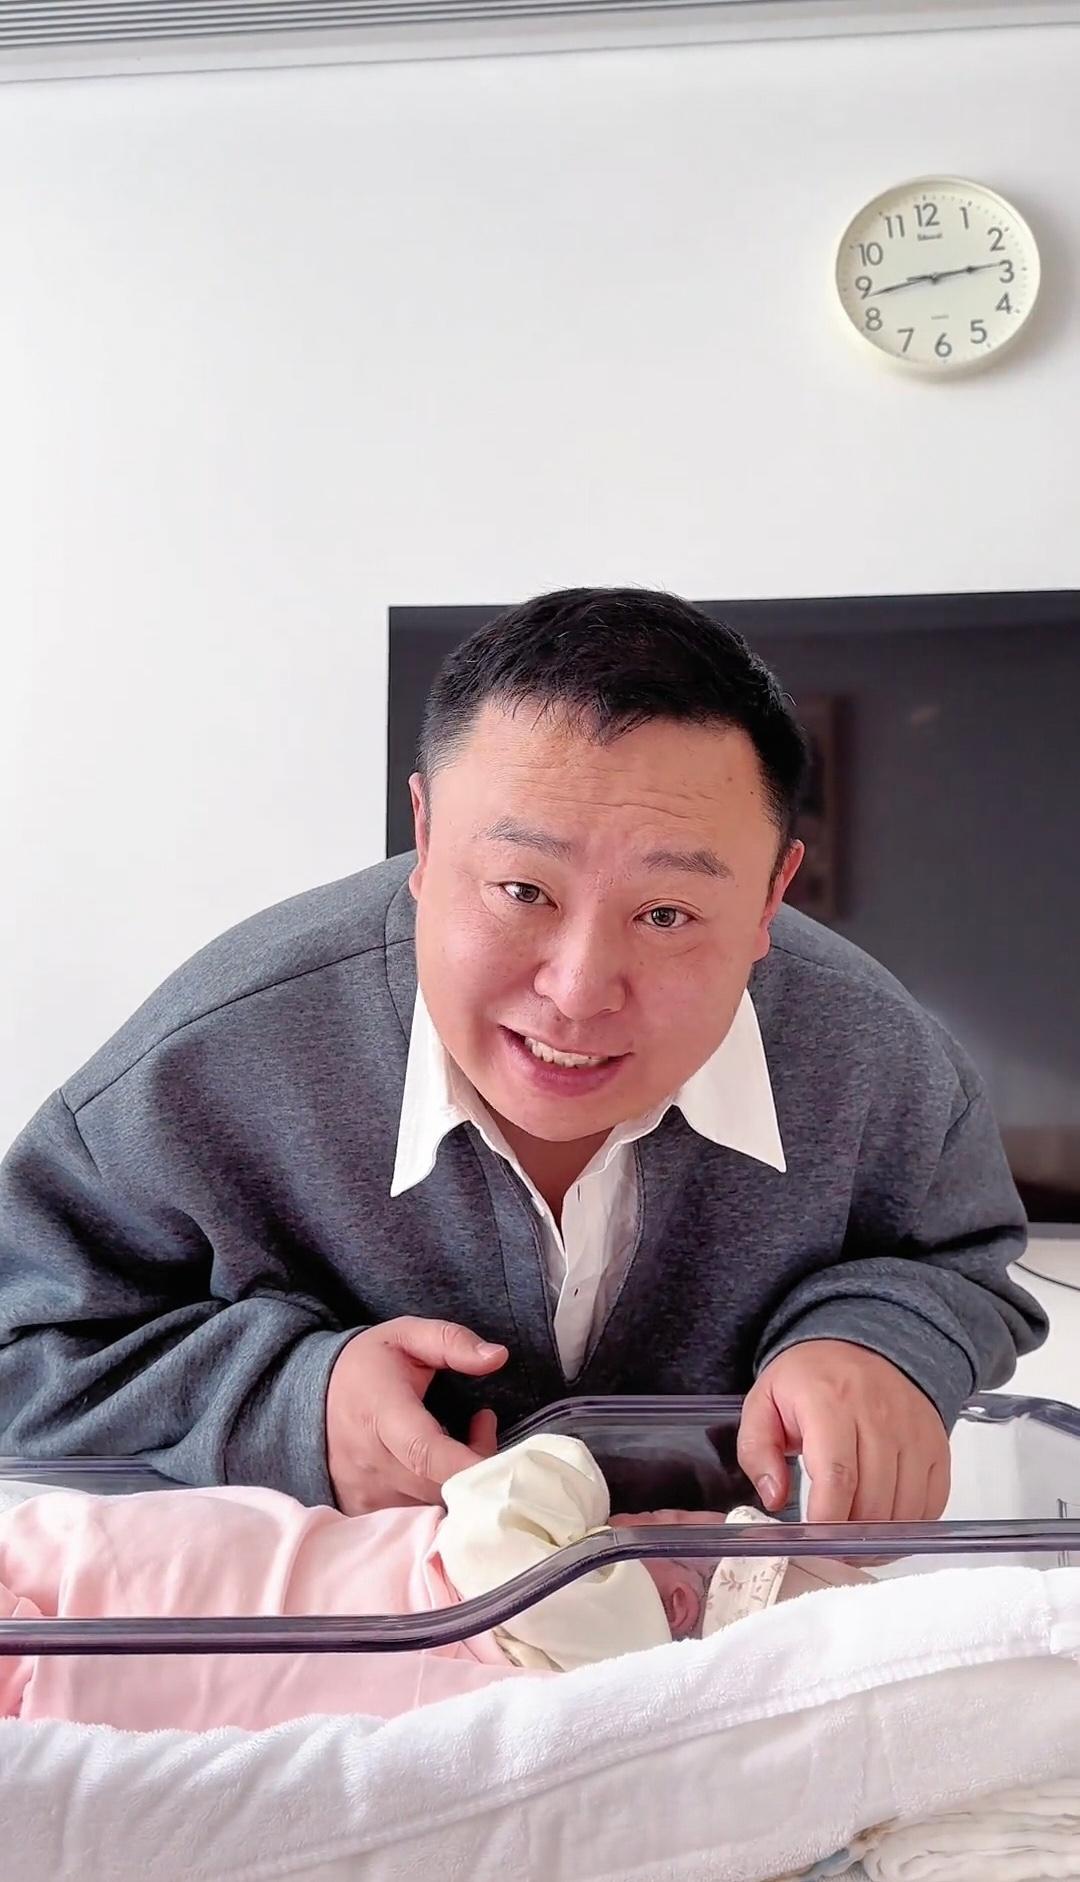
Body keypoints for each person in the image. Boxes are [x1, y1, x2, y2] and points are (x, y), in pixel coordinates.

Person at [0, 588, 1045, 1526]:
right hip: (349, 1644)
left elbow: (960, 1263)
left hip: (724, 1631)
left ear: (774, 895)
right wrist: (288, 1402)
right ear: (423, 835)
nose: (579, 989)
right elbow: (24, 1344)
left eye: (668, 913)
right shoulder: (208, 1060)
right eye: (521, 890)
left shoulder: (883, 1059)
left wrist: (879, 1340)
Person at [0, 1433, 832, 1732]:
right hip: (256, 1610)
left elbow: (502, 1507)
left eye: (670, 1523)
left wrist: (571, 1468)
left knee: (115, 1590)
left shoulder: (611, 1625)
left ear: (679, 1601)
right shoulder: (583, 1640)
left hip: (233, 1606)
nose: (638, 1512)